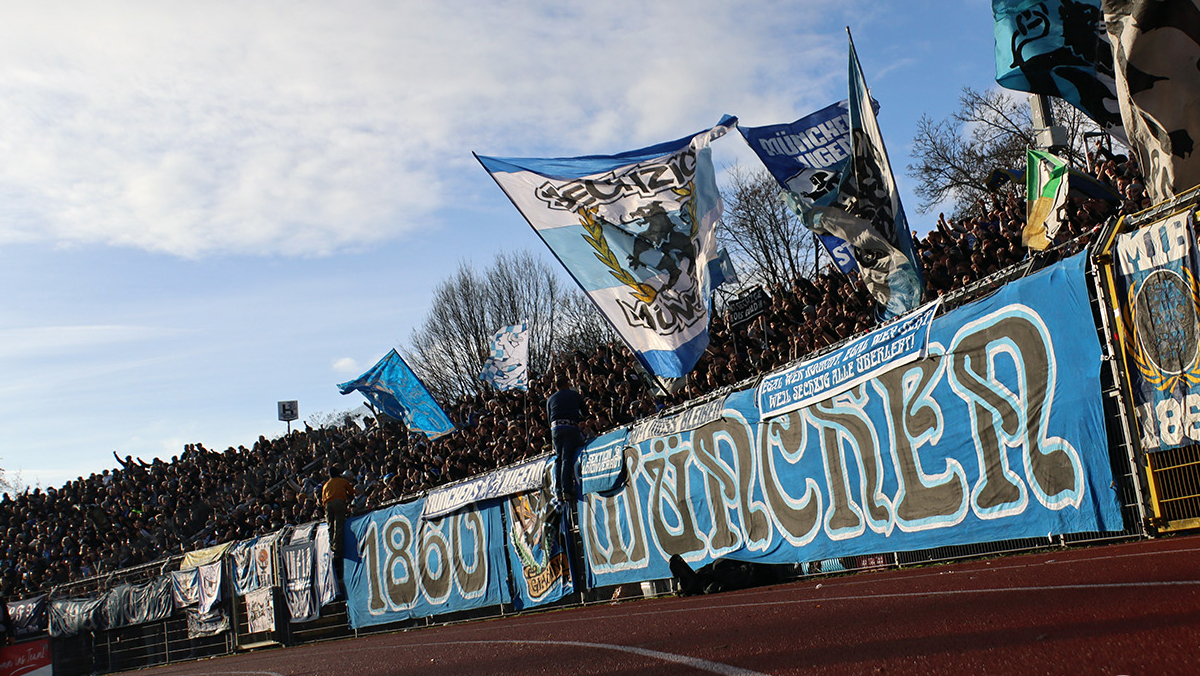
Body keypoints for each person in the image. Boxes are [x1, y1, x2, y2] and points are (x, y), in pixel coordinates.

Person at [546, 376, 587, 499]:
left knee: (559, 458)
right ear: (567, 384)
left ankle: (557, 490)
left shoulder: (550, 399)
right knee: (567, 457)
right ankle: (567, 489)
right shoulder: (574, 395)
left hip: (555, 429)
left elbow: (549, 419)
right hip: (570, 428)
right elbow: (585, 413)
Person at [321, 466, 356, 573]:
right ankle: (337, 548)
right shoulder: (342, 481)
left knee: (330, 526)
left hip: (328, 504)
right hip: (339, 501)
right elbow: (351, 492)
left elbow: (322, 499)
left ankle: (332, 544)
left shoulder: (326, 485)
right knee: (338, 525)